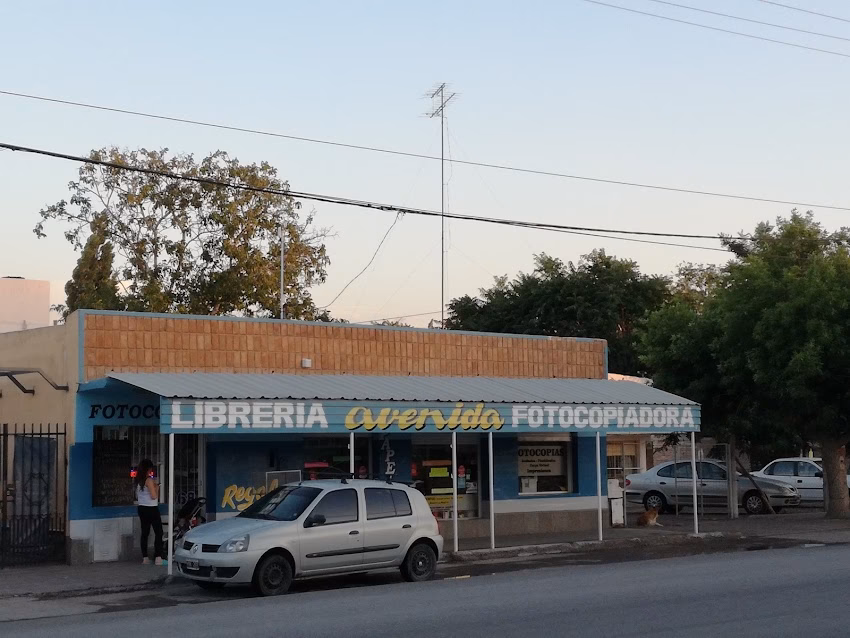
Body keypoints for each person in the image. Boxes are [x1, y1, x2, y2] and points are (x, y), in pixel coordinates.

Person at [134, 459, 166, 566]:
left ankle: (145, 558)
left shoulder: (138, 481)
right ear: (148, 469)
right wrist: (157, 487)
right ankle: (158, 557)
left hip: (142, 508)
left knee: (145, 533)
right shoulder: (149, 480)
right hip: (151, 508)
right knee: (159, 532)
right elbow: (154, 496)